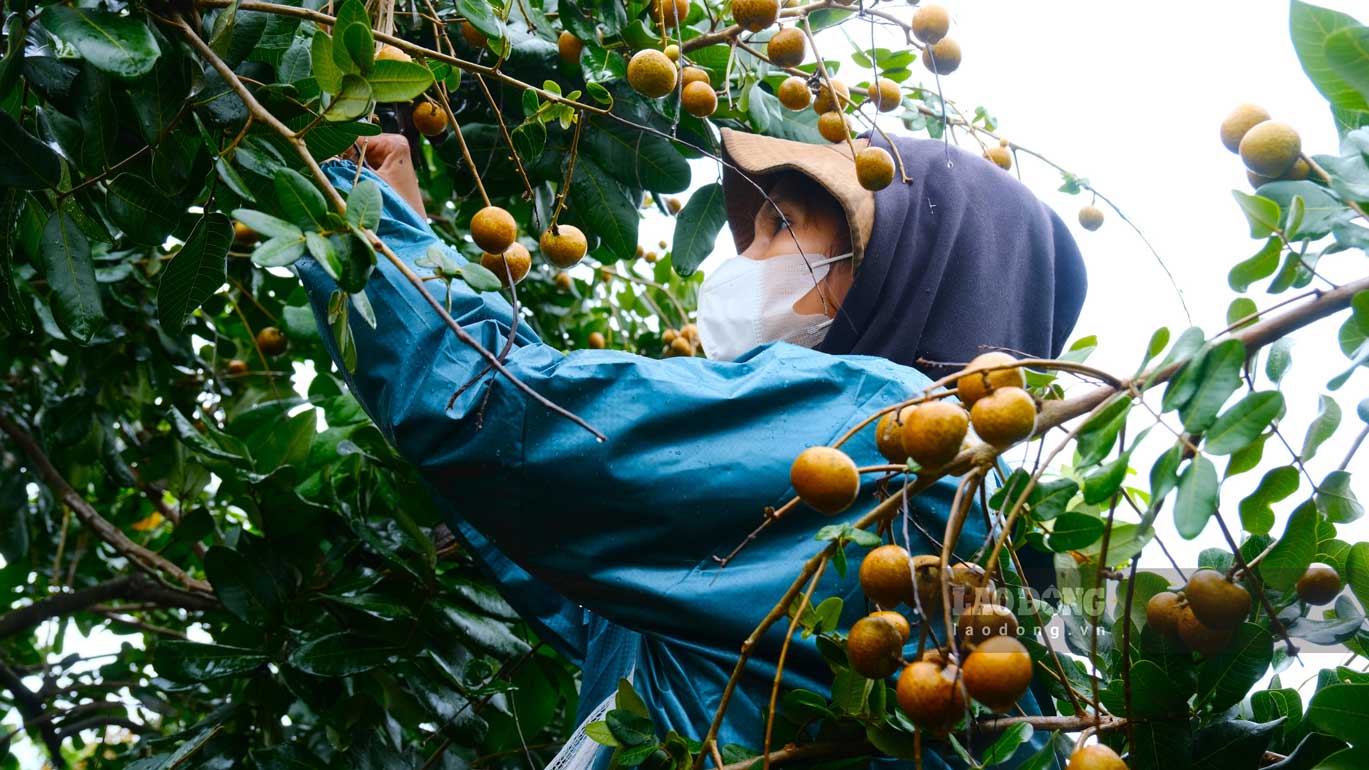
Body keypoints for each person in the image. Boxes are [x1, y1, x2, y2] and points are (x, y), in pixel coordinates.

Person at [299, 127, 1087, 770]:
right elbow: (575, 541)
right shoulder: (991, 559)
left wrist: (369, 226)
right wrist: (422, 261)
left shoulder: (864, 421)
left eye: (781, 226)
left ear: (903, 275)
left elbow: (508, 421)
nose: (746, 258)